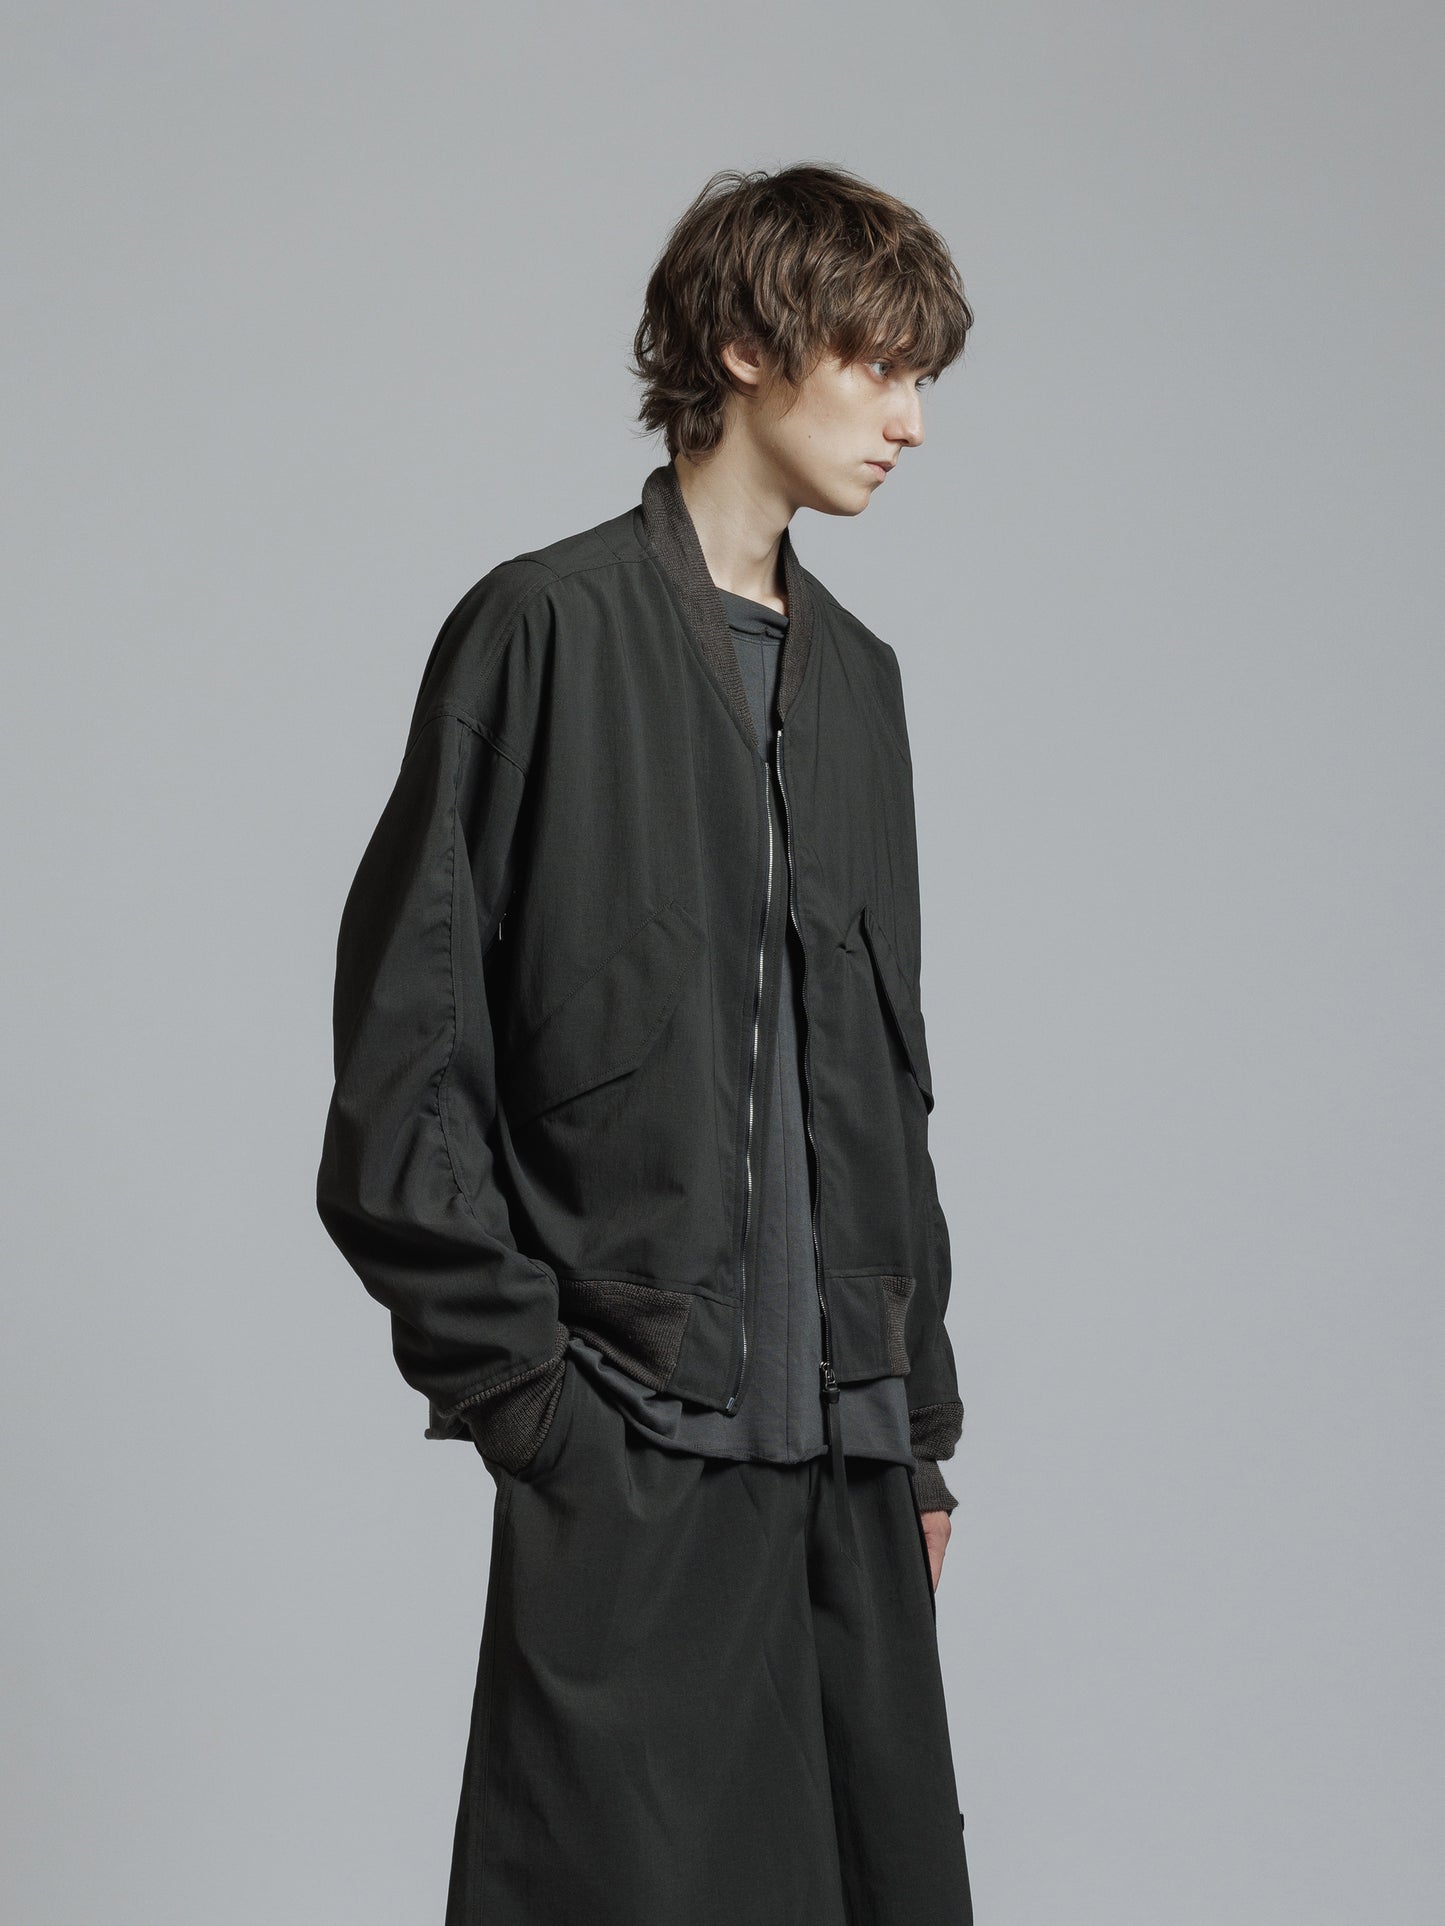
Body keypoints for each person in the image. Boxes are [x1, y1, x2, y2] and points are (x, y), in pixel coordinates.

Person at [316, 161, 976, 1924]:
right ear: (748, 346)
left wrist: (915, 1429)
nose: (910, 421)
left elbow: (884, 1091)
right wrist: (526, 1398)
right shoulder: (541, 630)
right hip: (632, 1438)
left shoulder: (864, 685)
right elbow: (405, 1057)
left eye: (922, 379)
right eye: (879, 366)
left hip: (847, 1460)